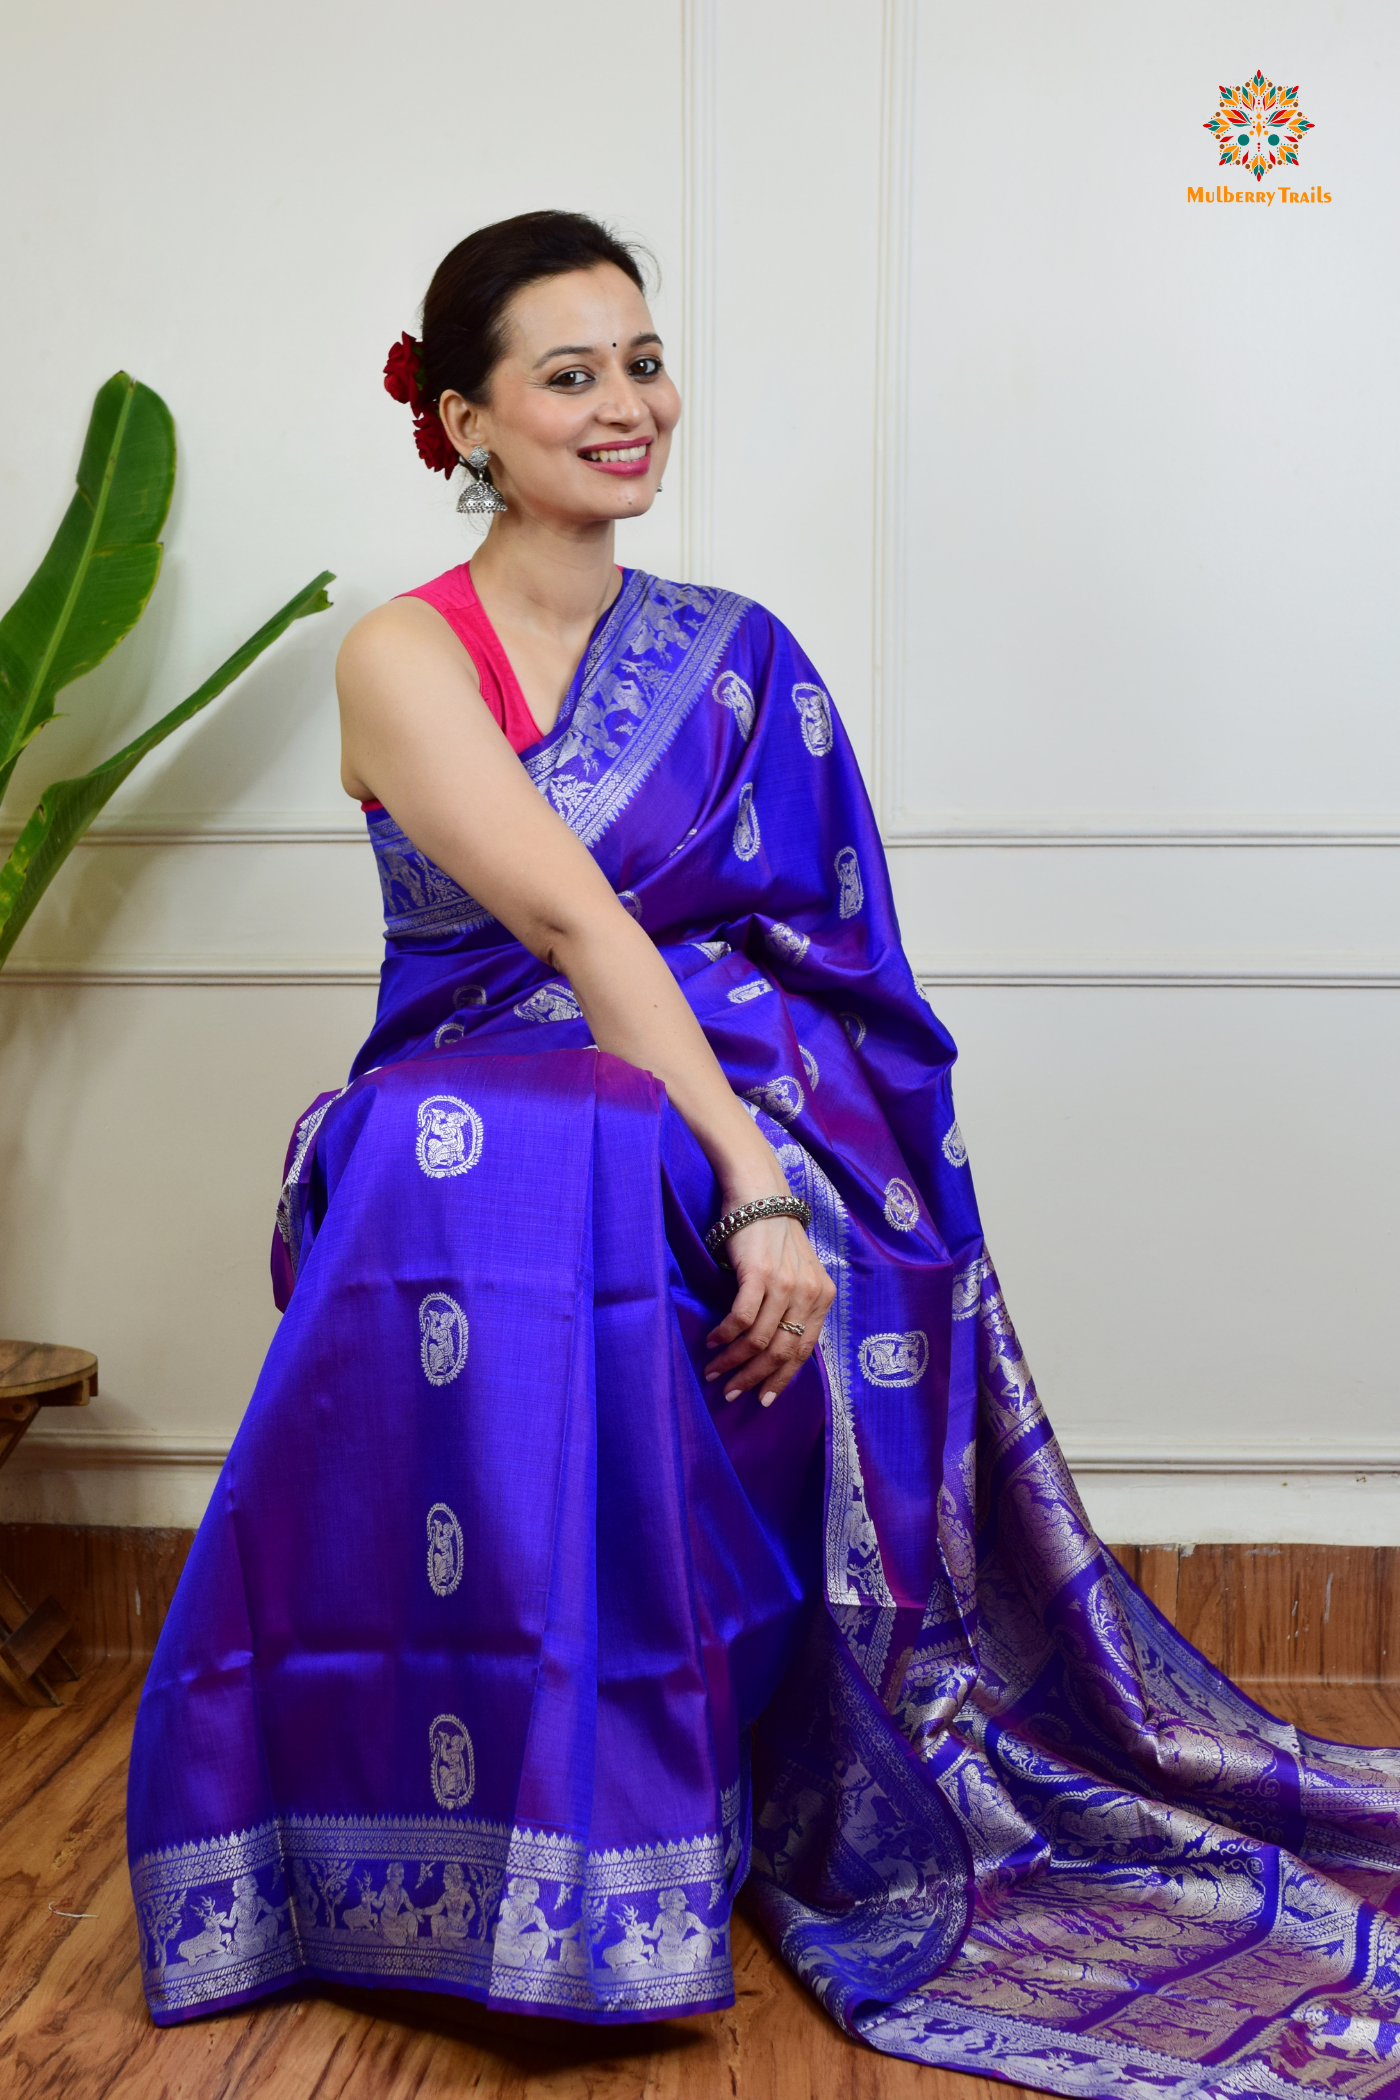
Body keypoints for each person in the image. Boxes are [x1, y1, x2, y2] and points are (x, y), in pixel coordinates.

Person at [128, 212, 1400, 2091]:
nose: (629, 404)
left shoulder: (740, 657)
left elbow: (827, 957)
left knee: (618, 1175)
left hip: (733, 1092)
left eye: (644, 360)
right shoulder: (403, 655)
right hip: (484, 1109)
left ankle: (662, 1806)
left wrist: (775, 1160)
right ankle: (496, 1830)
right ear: (466, 418)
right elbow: (569, 930)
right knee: (514, 1158)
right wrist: (747, 1186)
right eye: (571, 375)